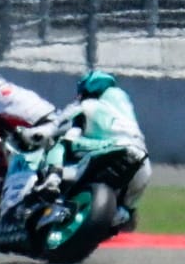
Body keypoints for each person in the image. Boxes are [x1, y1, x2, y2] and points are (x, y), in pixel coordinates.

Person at [43, 69, 150, 231]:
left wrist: (33, 134)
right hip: (142, 159)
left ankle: (53, 178)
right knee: (126, 209)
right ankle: (121, 213)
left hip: (108, 148)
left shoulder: (86, 105)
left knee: (62, 141)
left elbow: (57, 127)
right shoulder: (123, 105)